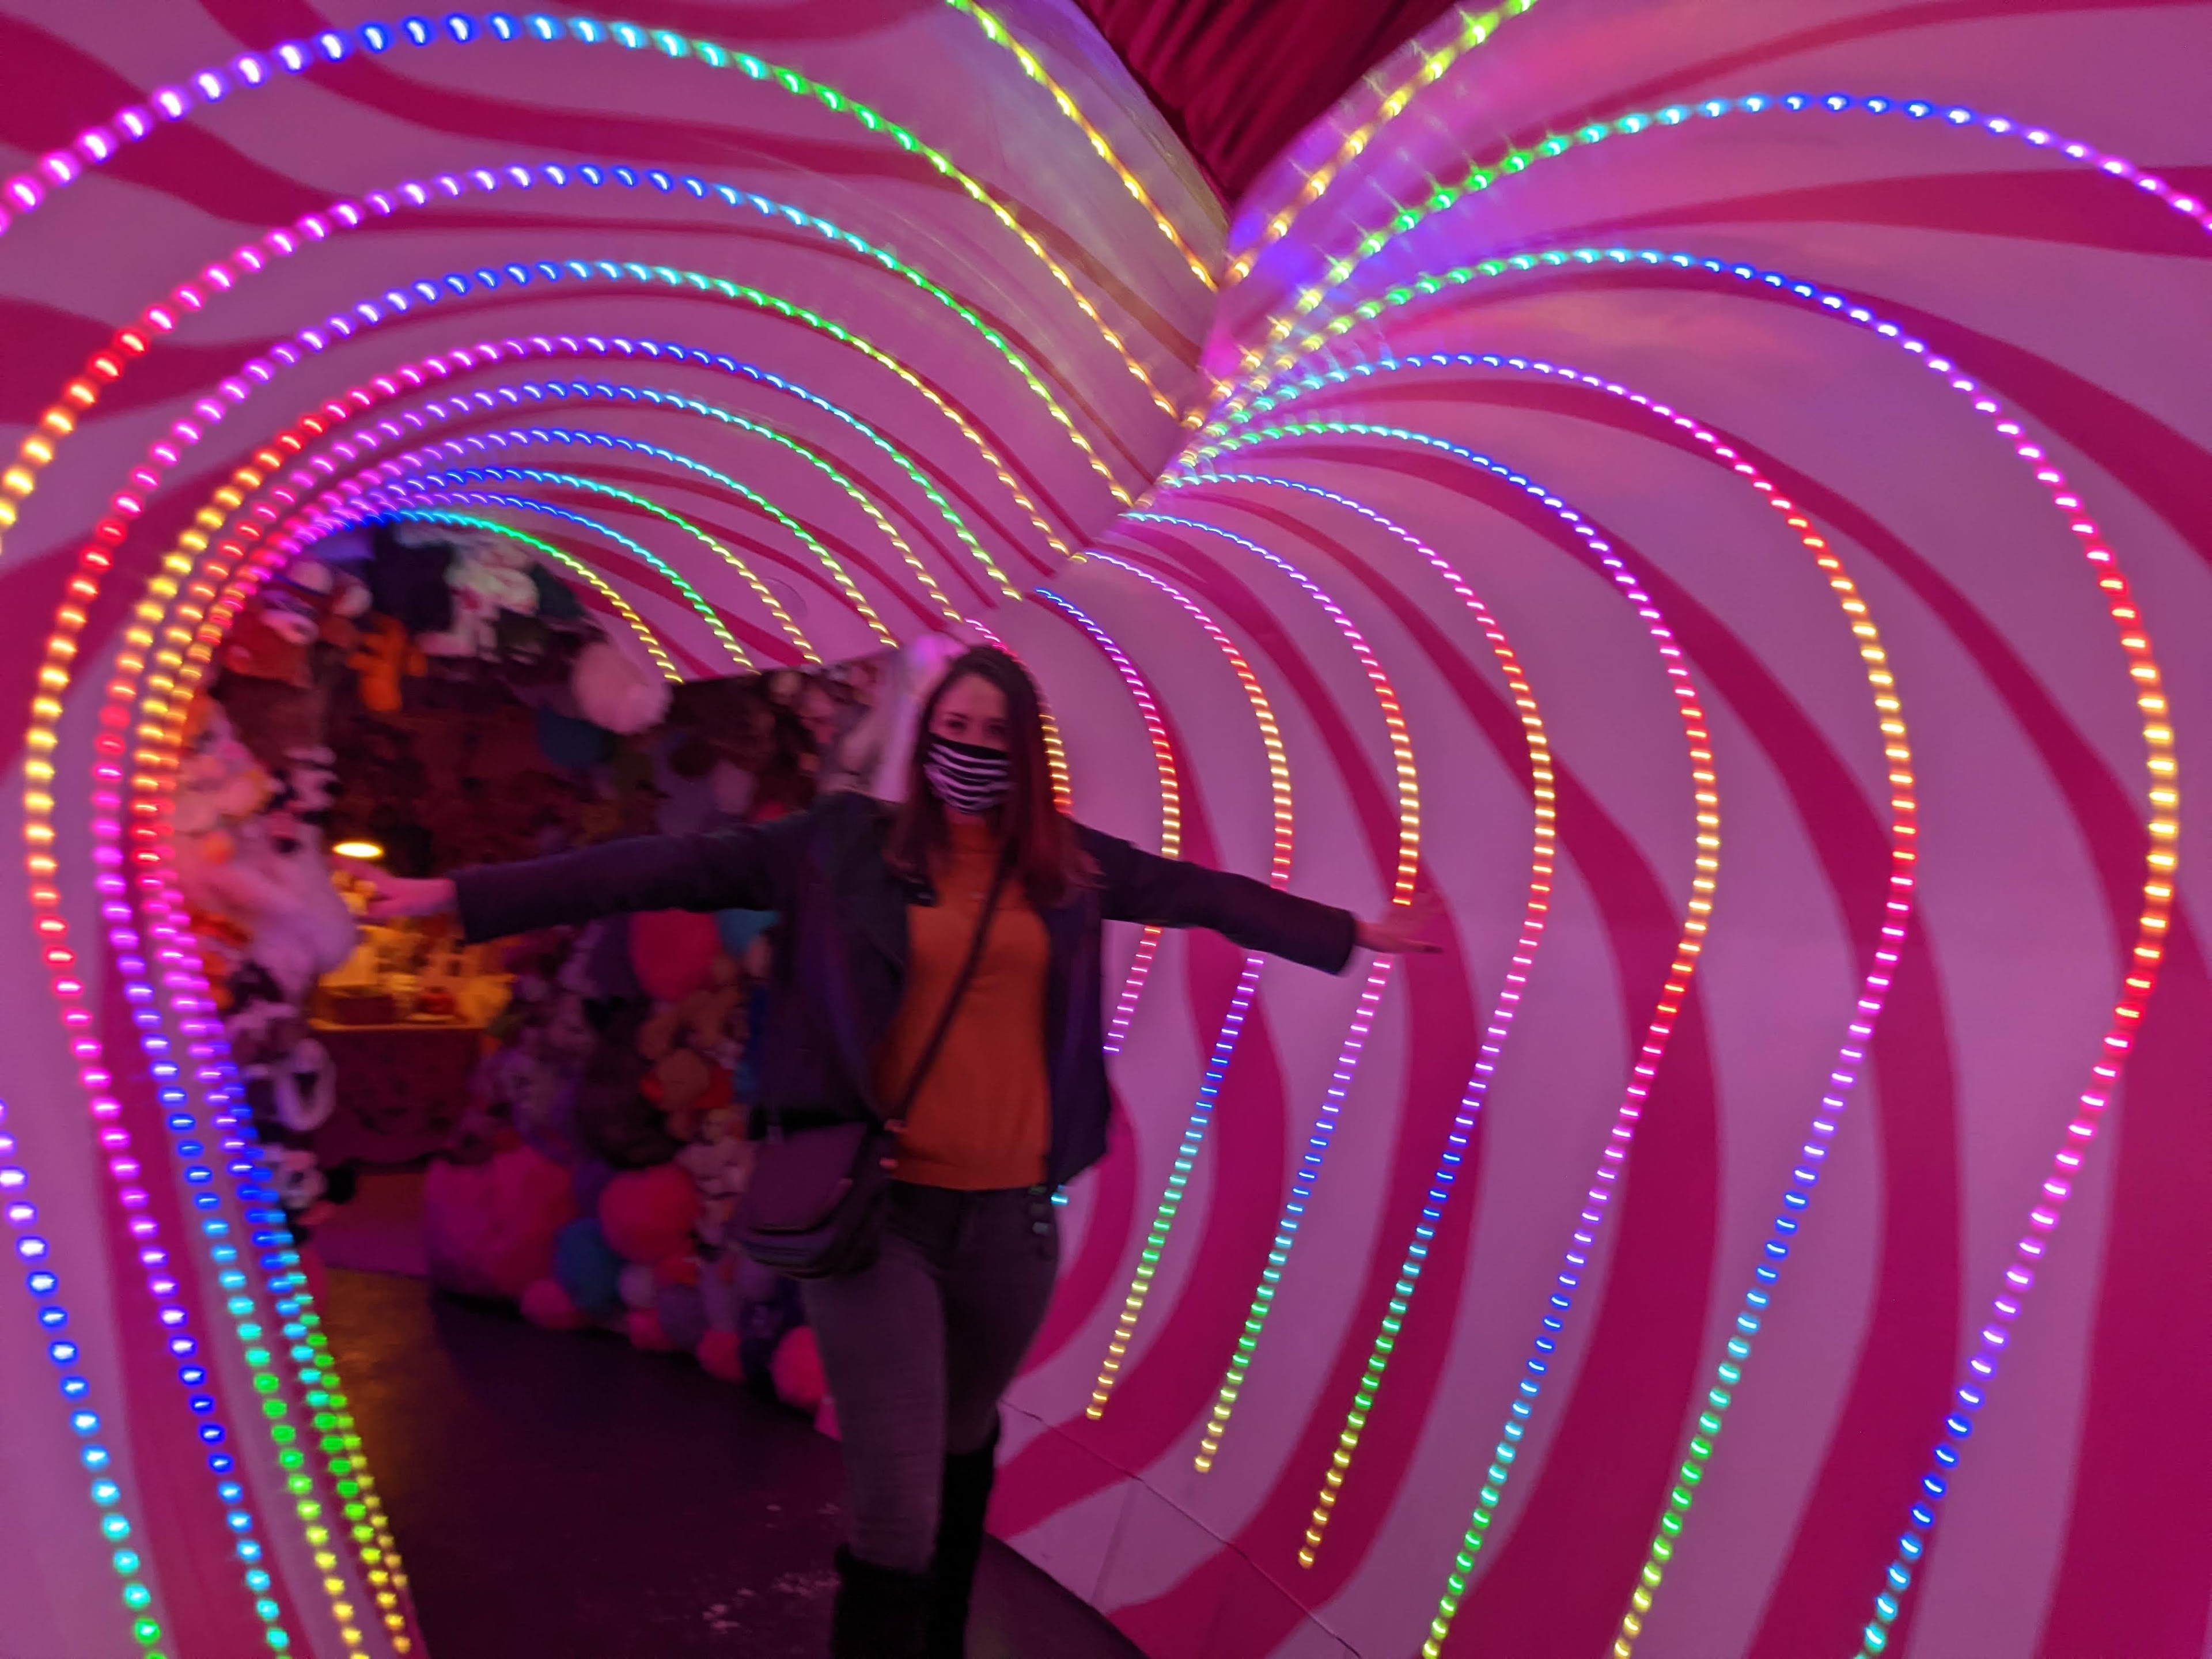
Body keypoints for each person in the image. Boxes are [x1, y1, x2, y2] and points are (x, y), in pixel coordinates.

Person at [365, 646, 1437, 1658]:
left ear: (1024, 754)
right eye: (953, 723)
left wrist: (1343, 933)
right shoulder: (836, 845)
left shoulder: (1065, 865)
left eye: (993, 730)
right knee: (896, 1503)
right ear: (927, 734)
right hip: (877, 1213)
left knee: (966, 1442)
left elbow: (1197, 895)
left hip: (1009, 1220)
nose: (970, 744)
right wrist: (467, 897)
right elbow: (663, 867)